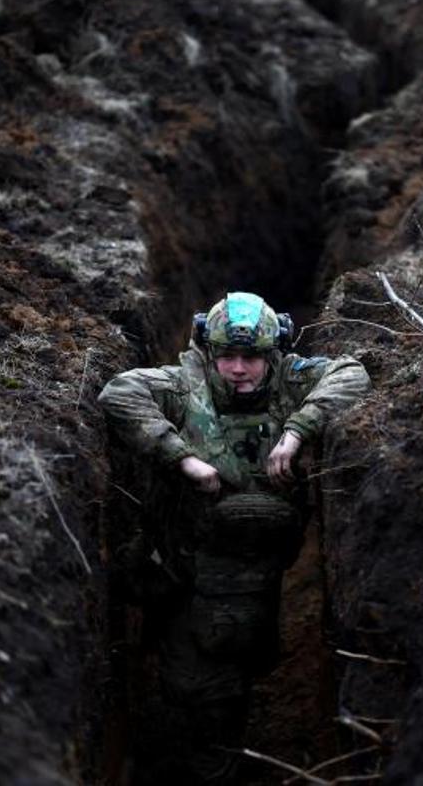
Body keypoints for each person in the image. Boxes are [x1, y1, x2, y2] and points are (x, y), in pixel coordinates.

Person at [98, 291, 371, 783]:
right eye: (227, 357)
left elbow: (353, 374)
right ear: (209, 353)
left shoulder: (291, 380)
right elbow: (118, 393)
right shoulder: (183, 387)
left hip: (259, 570)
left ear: (273, 355)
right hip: (185, 565)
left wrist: (297, 431)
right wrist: (181, 456)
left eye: (251, 358)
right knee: (196, 686)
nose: (239, 369)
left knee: (241, 660)